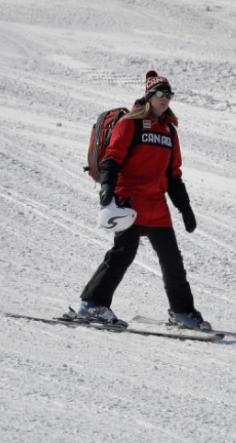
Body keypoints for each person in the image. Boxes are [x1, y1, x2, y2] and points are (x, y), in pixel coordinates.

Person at [78, 71, 210, 331]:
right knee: (123, 252)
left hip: (157, 204)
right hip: (129, 199)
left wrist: (185, 207)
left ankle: (183, 312)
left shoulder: (170, 131)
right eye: (160, 93)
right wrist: (107, 188)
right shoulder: (130, 123)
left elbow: (173, 174)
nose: (165, 99)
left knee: (172, 259)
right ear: (149, 95)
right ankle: (92, 304)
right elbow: (112, 158)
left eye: (169, 95)